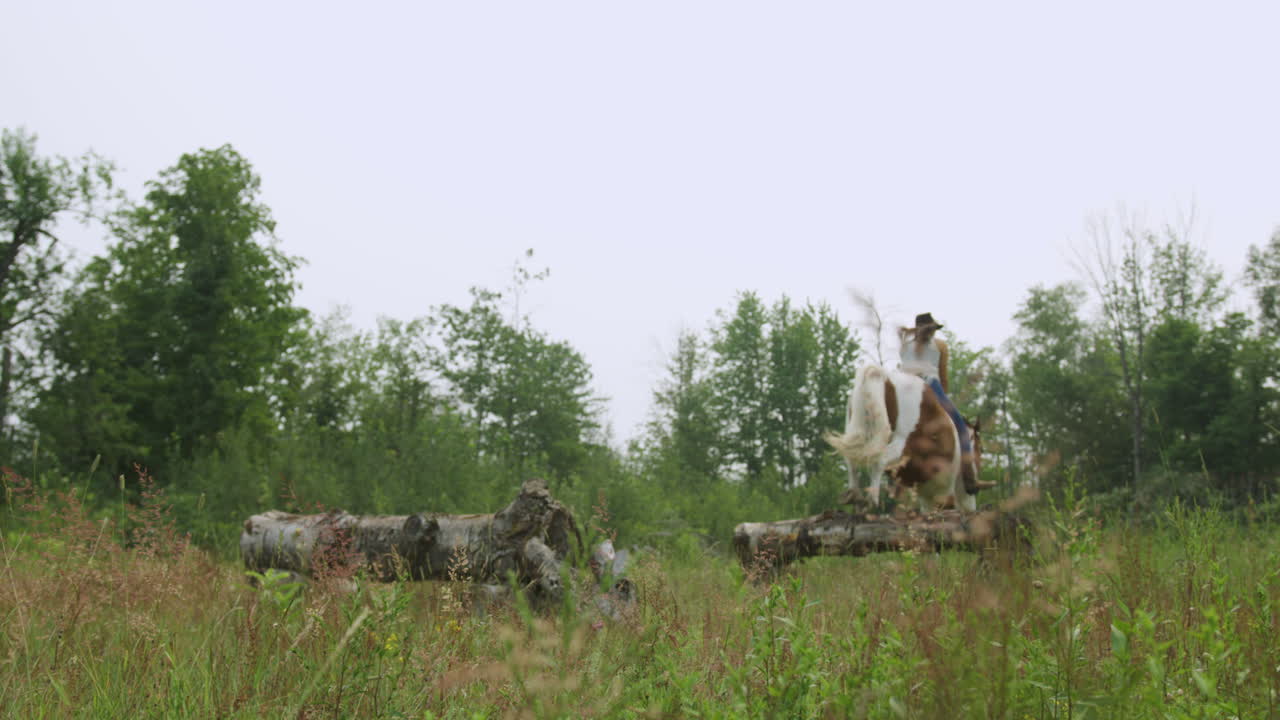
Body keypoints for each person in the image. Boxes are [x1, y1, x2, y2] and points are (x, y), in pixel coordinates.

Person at [897, 313, 979, 494]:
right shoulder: (940, 346)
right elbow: (943, 376)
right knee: (961, 427)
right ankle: (969, 476)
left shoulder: (904, 347)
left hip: (905, 390)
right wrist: (944, 400)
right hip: (931, 386)